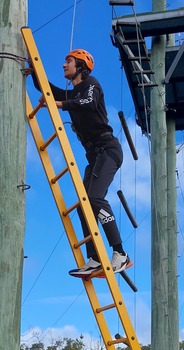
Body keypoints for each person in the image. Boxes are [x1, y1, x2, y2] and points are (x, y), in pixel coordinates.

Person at [32, 48, 132, 278]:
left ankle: (121, 253)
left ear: (81, 65)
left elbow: (87, 103)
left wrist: (59, 105)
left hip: (108, 150)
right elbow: (47, 89)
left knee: (96, 198)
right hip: (94, 157)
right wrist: (32, 68)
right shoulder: (74, 93)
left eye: (68, 61)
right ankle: (95, 258)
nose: (64, 65)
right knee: (83, 206)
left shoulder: (91, 85)